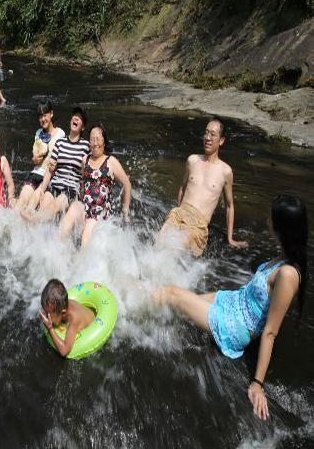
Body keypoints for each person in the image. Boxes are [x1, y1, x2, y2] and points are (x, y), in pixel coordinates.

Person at [154, 194, 308, 421]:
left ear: (281, 227)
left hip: (235, 327)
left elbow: (271, 331)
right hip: (231, 302)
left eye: (271, 217)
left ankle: (127, 308)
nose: (267, 219)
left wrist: (257, 384)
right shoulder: (282, 257)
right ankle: (141, 305)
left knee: (171, 294)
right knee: (180, 302)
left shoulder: (288, 274)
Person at [158, 119, 247, 256]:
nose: (208, 138)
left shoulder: (225, 171)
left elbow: (229, 206)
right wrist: (178, 211)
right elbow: (182, 188)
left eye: (212, 134)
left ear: (221, 141)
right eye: (206, 133)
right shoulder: (192, 160)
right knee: (158, 244)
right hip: (178, 215)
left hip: (198, 224)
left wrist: (230, 238)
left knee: (173, 249)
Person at [60, 124, 132, 247]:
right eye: (92, 139)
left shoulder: (111, 162)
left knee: (87, 231)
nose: (95, 143)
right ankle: (57, 251)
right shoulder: (84, 160)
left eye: (98, 139)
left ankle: (80, 262)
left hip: (100, 210)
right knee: (73, 210)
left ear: (104, 142)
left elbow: (127, 184)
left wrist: (125, 210)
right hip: (84, 206)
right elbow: (82, 185)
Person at [29, 107, 90, 222]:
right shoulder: (60, 142)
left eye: (80, 118)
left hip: (71, 189)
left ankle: (35, 219)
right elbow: (50, 169)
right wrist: (42, 189)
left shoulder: (85, 146)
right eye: (74, 116)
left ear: (83, 127)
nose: (76, 118)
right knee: (45, 201)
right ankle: (37, 230)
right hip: (55, 184)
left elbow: (88, 173)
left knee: (59, 202)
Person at [15, 102, 65, 213]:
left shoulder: (60, 134)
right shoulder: (38, 133)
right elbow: (35, 156)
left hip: (49, 177)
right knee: (20, 202)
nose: (42, 119)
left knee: (31, 206)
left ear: (51, 114)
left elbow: (61, 160)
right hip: (36, 173)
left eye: (45, 115)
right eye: (40, 116)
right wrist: (34, 159)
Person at [39, 278, 96, 357]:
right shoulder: (62, 305)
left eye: (48, 314)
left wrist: (50, 328)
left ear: (63, 313)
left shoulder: (74, 319)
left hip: (93, 325)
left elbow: (64, 351)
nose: (45, 316)